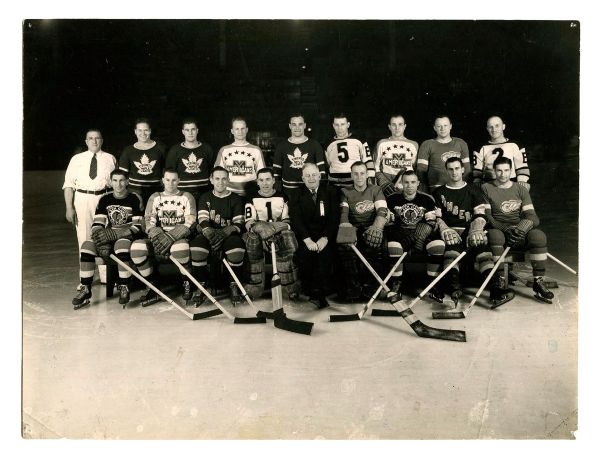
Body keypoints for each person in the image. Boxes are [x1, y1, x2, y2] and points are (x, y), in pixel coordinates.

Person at [432, 157, 514, 308]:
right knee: (451, 252)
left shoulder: (474, 190)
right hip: (452, 233)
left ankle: (496, 290)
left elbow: (480, 214)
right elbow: (437, 217)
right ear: (446, 170)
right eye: (450, 169)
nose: (454, 172)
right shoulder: (439, 192)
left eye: (457, 168)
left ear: (463, 169)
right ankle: (454, 290)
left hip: (470, 231)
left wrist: (476, 229)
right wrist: (445, 229)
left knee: (482, 249)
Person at [481, 157, 554, 303]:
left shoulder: (520, 189)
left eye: (506, 170)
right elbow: (488, 217)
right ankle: (500, 280)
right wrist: (505, 228)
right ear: (494, 171)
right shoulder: (486, 188)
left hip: (518, 230)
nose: (503, 174)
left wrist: (521, 229)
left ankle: (538, 282)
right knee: (495, 236)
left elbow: (533, 217)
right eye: (499, 171)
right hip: (498, 229)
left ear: (512, 171)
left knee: (538, 236)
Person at [71, 170, 144, 308]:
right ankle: (86, 288)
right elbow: (97, 224)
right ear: (111, 182)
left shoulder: (134, 198)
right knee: (86, 246)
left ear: (127, 181)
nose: (118, 184)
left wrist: (118, 234)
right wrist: (100, 238)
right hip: (109, 235)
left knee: (121, 245)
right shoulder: (105, 199)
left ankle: (124, 286)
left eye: (122, 180)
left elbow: (138, 227)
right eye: (115, 180)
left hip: (126, 236)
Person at [130, 169, 196, 304]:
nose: (170, 183)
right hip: (159, 236)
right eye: (167, 180)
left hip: (179, 237)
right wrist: (156, 234)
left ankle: (187, 283)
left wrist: (171, 236)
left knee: (181, 248)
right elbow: (149, 219)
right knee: (137, 249)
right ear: (163, 180)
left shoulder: (186, 196)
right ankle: (152, 285)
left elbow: (191, 220)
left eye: (174, 180)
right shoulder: (155, 197)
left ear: (179, 181)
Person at [385, 170, 445, 300]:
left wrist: (422, 233)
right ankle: (397, 283)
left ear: (418, 183)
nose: (409, 185)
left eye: (413, 182)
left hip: (422, 236)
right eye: (406, 182)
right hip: (400, 235)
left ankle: (433, 283)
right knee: (393, 245)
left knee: (438, 245)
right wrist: (405, 235)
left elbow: (432, 222)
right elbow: (389, 223)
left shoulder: (427, 199)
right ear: (401, 183)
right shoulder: (392, 199)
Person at [189, 167, 246, 304]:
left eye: (224, 178)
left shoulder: (235, 198)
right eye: (217, 178)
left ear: (228, 180)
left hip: (229, 234)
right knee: (197, 248)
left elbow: (239, 223)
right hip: (209, 233)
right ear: (211, 180)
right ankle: (201, 284)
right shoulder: (205, 197)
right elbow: (203, 220)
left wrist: (226, 231)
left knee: (236, 249)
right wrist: (209, 232)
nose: (220, 182)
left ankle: (233, 284)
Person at [243, 167, 300, 300]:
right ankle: (255, 285)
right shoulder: (251, 197)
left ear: (274, 180)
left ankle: (288, 286)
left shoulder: (283, 196)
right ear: (257, 182)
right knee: (251, 239)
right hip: (259, 235)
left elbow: (287, 221)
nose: (265, 183)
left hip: (278, 235)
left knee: (288, 236)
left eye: (268, 179)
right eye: (261, 180)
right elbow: (248, 222)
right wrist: (261, 228)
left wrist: (274, 228)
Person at [288, 163, 340, 308]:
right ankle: (312, 292)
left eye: (314, 175)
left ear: (319, 175)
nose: (311, 178)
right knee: (305, 255)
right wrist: (307, 240)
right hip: (305, 236)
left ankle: (321, 293)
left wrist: (325, 238)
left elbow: (334, 218)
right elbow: (296, 219)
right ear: (303, 178)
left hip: (325, 235)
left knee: (326, 255)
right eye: (307, 176)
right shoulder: (296, 194)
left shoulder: (330, 192)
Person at [335, 162, 388, 302]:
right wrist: (347, 232)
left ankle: (372, 288)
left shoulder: (376, 190)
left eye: (362, 173)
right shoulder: (345, 191)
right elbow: (344, 214)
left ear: (367, 174)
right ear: (351, 175)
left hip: (371, 227)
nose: (359, 177)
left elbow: (382, 210)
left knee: (374, 244)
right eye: (356, 173)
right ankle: (353, 288)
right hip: (354, 228)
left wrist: (377, 227)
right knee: (344, 248)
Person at [63, 129, 117, 249]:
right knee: (84, 236)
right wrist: (69, 208)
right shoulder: (76, 159)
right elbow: (68, 185)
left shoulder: (110, 158)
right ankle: (86, 267)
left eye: (97, 138)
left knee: (104, 235)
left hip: (104, 198)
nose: (94, 141)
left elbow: (116, 184)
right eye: (91, 138)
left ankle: (104, 268)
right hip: (83, 199)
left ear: (102, 141)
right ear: (86, 141)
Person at [272, 113, 326, 202]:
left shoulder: (315, 145)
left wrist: (320, 192)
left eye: (300, 124)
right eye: (294, 124)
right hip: (288, 191)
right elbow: (276, 173)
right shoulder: (281, 146)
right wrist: (278, 192)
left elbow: (321, 171)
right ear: (289, 126)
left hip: (310, 190)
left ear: (304, 125)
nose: (297, 127)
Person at [473, 115, 531, 189]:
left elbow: (521, 167)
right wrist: (477, 183)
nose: (494, 129)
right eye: (491, 127)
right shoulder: (481, 148)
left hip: (511, 183)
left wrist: (522, 181)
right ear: (487, 129)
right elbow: (477, 172)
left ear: (503, 126)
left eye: (497, 126)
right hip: (489, 184)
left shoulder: (515, 145)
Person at [416, 115, 471, 194]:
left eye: (445, 125)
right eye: (439, 126)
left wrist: (463, 187)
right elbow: (421, 171)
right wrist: (425, 191)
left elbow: (467, 169)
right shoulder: (427, 144)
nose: (442, 128)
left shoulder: (461, 143)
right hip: (435, 188)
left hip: (457, 188)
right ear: (434, 128)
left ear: (450, 126)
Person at [214, 116, 266, 197]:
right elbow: (217, 174)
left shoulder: (256, 150)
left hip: (250, 192)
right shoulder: (224, 150)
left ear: (247, 130)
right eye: (237, 129)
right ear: (232, 131)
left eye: (242, 128)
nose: (240, 131)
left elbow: (262, 174)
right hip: (229, 193)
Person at [118, 118, 166, 205]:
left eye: (146, 130)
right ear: (135, 131)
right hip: (134, 191)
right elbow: (122, 175)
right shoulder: (128, 150)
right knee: (136, 218)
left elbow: (168, 171)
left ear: (150, 131)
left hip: (156, 191)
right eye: (140, 130)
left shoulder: (161, 148)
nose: (143, 133)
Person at [165, 117, 215, 198]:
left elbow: (212, 171)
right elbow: (169, 174)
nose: (190, 133)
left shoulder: (207, 149)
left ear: (197, 130)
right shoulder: (175, 150)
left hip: (204, 193)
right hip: (181, 194)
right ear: (183, 132)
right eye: (187, 130)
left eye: (193, 129)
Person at [324, 113, 375, 189]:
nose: (340, 128)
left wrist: (371, 178)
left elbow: (368, 160)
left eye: (342, 124)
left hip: (354, 182)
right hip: (334, 183)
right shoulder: (328, 144)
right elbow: (328, 164)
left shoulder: (359, 140)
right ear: (333, 126)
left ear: (348, 125)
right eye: (337, 125)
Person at [373, 114, 419, 197]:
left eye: (400, 124)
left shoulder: (414, 145)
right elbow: (375, 167)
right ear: (389, 127)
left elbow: (415, 169)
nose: (397, 128)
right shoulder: (382, 143)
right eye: (393, 125)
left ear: (405, 126)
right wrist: (384, 183)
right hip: (386, 188)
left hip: (405, 188)